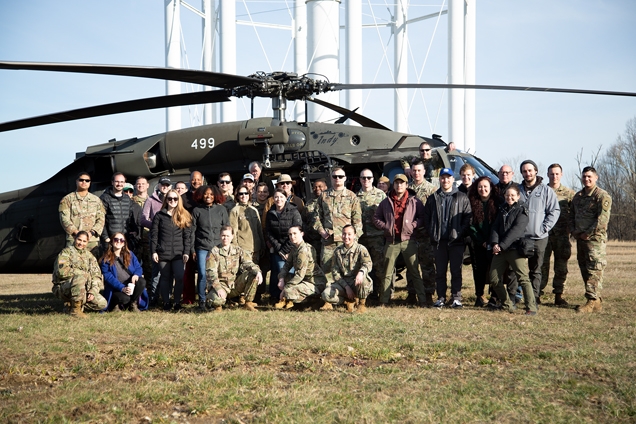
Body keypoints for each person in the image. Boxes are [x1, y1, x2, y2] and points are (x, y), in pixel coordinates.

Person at [373, 174, 427, 307]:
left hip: (409, 241)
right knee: (387, 272)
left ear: (406, 185)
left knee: (414, 271)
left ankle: (423, 300)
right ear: (393, 185)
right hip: (391, 242)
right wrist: (385, 227)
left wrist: (413, 226)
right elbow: (376, 217)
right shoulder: (386, 202)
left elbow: (422, 217)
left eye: (402, 183)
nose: (399, 185)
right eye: (397, 183)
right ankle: (384, 301)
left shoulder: (415, 201)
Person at [423, 168, 472, 309]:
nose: (445, 180)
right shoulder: (433, 198)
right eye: (443, 178)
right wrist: (432, 232)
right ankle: (441, 298)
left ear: (452, 179)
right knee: (440, 272)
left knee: (456, 271)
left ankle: (456, 298)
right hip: (439, 242)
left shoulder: (461, 197)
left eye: (448, 178)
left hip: (456, 242)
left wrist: (459, 233)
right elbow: (427, 218)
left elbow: (467, 217)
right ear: (439, 179)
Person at [488, 185, 538, 315]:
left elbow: (516, 231)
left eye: (512, 195)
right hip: (500, 250)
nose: (509, 198)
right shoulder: (503, 209)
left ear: (518, 196)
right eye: (507, 195)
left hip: (515, 249)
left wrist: (502, 245)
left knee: (523, 278)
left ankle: (531, 307)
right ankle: (507, 304)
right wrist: (494, 243)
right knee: (493, 278)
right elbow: (495, 227)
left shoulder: (522, 211)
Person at [518, 160, 560, 305]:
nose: (527, 173)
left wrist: (543, 228)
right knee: (518, 270)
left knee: (536, 270)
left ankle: (534, 298)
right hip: (520, 238)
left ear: (535, 171)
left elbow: (554, 211)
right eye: (524, 171)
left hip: (539, 237)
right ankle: (517, 297)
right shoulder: (517, 190)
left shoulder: (545, 190)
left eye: (530, 170)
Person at [570, 166, 612, 313]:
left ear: (596, 178)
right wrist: (574, 231)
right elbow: (571, 215)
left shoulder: (602, 196)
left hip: (594, 241)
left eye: (589, 176)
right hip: (580, 239)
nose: (586, 179)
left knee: (594, 269)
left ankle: (592, 300)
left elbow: (602, 220)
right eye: (584, 176)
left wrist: (587, 233)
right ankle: (596, 301)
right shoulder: (578, 196)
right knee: (584, 269)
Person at [313, 167, 363, 276]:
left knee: (349, 269)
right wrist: (321, 231)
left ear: (345, 178)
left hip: (346, 240)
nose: (337, 179)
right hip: (328, 240)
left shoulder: (352, 196)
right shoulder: (324, 196)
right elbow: (316, 217)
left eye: (340, 176)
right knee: (327, 271)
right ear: (331, 178)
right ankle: (329, 292)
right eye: (335, 176)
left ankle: (348, 292)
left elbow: (357, 220)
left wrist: (355, 238)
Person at [150, 189, 192, 311]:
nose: (172, 201)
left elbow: (187, 236)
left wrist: (186, 252)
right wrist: (154, 251)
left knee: (179, 277)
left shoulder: (184, 215)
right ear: (166, 200)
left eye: (175, 198)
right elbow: (154, 235)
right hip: (163, 253)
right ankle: (166, 303)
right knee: (165, 278)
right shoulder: (159, 216)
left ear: (179, 200)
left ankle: (177, 302)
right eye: (170, 198)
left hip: (179, 254)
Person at [541, 163, 575, 306]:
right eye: (551, 174)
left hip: (562, 236)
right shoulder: (541, 191)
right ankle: (537, 293)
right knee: (541, 265)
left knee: (561, 267)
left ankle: (558, 295)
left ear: (561, 174)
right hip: (544, 235)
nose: (554, 176)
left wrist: (572, 229)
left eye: (557, 174)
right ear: (547, 175)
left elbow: (575, 214)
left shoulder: (570, 194)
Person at [206, 226, 263, 312]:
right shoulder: (214, 252)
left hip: (234, 285)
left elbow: (247, 262)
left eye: (228, 236)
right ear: (219, 236)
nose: (225, 238)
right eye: (223, 235)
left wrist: (258, 271)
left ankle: (248, 303)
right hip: (221, 285)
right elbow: (211, 273)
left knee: (253, 275)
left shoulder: (237, 250)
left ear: (232, 236)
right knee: (217, 301)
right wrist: (218, 289)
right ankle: (218, 307)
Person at [52, 231, 107, 317]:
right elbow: (61, 272)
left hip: (84, 289)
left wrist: (93, 291)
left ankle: (72, 305)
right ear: (75, 239)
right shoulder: (66, 253)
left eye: (84, 241)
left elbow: (96, 276)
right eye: (79, 240)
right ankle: (75, 310)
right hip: (64, 287)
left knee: (102, 303)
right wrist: (82, 274)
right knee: (80, 277)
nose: (81, 243)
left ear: (87, 242)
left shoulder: (90, 256)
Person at [191, 185, 228, 311]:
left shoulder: (221, 210)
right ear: (202, 195)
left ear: (216, 196)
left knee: (216, 274)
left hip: (217, 247)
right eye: (206, 194)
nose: (208, 196)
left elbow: (226, 229)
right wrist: (192, 250)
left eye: (211, 194)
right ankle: (202, 300)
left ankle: (215, 300)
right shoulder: (197, 210)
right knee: (202, 274)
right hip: (202, 247)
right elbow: (192, 232)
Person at [321, 224, 373, 313]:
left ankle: (361, 304)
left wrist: (361, 272)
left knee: (363, 280)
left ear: (354, 235)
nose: (346, 237)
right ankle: (347, 301)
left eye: (349, 234)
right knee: (326, 294)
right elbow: (335, 271)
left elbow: (368, 264)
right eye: (344, 234)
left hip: (357, 282)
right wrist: (346, 287)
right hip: (343, 283)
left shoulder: (361, 249)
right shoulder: (337, 251)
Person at [407, 159, 437, 305]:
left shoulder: (432, 190)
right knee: (411, 265)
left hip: (426, 234)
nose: (416, 173)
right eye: (414, 170)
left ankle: (429, 293)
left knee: (427, 265)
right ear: (410, 171)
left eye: (419, 170)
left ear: (424, 171)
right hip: (410, 234)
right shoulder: (406, 189)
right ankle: (412, 293)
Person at [468, 177, 501, 307]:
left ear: (491, 187)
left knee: (494, 270)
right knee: (479, 270)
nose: (483, 189)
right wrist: (480, 240)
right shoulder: (472, 203)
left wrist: (493, 241)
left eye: (485, 186)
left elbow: (499, 224)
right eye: (480, 187)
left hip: (494, 242)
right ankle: (479, 295)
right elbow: (471, 225)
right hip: (478, 243)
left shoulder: (498, 203)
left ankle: (494, 296)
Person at [266, 189, 303, 303]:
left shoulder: (293, 211)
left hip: (291, 246)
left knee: (289, 272)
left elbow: (297, 231)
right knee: (278, 269)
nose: (278, 199)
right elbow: (269, 232)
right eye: (276, 197)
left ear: (286, 198)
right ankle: (275, 295)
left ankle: (290, 296)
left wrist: (286, 250)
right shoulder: (270, 213)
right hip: (277, 247)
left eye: (281, 197)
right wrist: (279, 249)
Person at [276, 226, 327, 308]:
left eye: (295, 233)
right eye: (290, 234)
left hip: (314, 282)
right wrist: (281, 278)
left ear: (302, 234)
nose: (292, 237)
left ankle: (314, 300)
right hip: (304, 280)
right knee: (284, 278)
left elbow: (300, 275)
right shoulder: (294, 249)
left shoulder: (304, 250)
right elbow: (287, 266)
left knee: (288, 292)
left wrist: (285, 290)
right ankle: (291, 300)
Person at [58, 171, 105, 257]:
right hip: (74, 240)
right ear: (76, 181)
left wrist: (91, 233)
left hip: (91, 241)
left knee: (92, 265)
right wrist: (77, 234)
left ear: (90, 183)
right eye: (81, 180)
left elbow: (101, 219)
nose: (84, 182)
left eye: (87, 181)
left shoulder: (96, 200)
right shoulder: (67, 199)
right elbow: (64, 219)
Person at [141, 177, 172, 304]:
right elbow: (143, 219)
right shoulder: (150, 200)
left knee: (169, 271)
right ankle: (153, 298)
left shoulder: (173, 199)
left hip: (170, 240)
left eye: (167, 185)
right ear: (158, 186)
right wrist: (155, 226)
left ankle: (166, 297)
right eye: (162, 184)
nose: (164, 187)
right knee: (156, 271)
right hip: (155, 239)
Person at [356, 170, 386, 300]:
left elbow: (388, 215)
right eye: (363, 178)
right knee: (365, 267)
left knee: (380, 266)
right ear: (360, 179)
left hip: (377, 237)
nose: (366, 180)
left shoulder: (381, 195)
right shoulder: (355, 196)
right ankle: (368, 293)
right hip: (362, 238)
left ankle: (383, 293)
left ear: (373, 179)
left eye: (368, 177)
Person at [100, 232, 148, 312]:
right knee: (124, 298)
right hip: (116, 288)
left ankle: (133, 304)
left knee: (141, 281)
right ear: (111, 242)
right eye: (116, 239)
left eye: (121, 240)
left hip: (130, 285)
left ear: (124, 244)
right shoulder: (106, 258)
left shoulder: (130, 254)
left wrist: (136, 275)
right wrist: (122, 288)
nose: (119, 241)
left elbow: (138, 268)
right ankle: (115, 305)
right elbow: (108, 277)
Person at [180, 171, 204, 305]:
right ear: (190, 181)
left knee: (204, 270)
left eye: (198, 179)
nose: (196, 182)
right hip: (188, 236)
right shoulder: (183, 198)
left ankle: (204, 296)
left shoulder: (206, 195)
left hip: (203, 236)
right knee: (188, 270)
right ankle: (188, 298)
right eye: (193, 179)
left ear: (202, 181)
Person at [100, 172, 137, 252]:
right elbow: (101, 219)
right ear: (112, 182)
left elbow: (130, 217)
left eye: (122, 182)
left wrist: (134, 230)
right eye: (117, 181)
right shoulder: (105, 198)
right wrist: (105, 237)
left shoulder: (127, 199)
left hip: (125, 239)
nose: (119, 184)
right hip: (111, 239)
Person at [230, 184, 265, 262]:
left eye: (246, 193)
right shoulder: (235, 211)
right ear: (237, 196)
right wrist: (236, 249)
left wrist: (263, 245)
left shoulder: (254, 210)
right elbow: (233, 232)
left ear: (249, 195)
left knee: (256, 272)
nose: (243, 195)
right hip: (243, 249)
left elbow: (259, 229)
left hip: (256, 248)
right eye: (241, 194)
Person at [132, 176, 151, 280]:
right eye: (138, 184)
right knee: (134, 267)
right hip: (135, 239)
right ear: (135, 186)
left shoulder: (152, 201)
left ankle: (150, 294)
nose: (140, 186)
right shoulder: (131, 201)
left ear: (148, 185)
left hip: (148, 238)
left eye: (143, 184)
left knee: (149, 268)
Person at [304, 179, 328, 260]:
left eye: (320, 186)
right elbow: (303, 220)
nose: (317, 189)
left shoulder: (329, 202)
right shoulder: (308, 204)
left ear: (325, 187)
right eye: (315, 187)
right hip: (313, 240)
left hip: (327, 239)